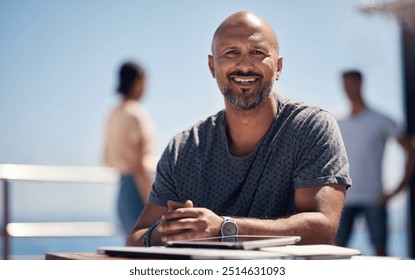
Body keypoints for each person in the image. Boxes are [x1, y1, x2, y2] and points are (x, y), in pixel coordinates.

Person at [127, 11, 351, 247]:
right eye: (231, 53)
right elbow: (135, 238)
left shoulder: (311, 128)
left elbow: (322, 228)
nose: (244, 65)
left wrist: (224, 228)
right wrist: (171, 230)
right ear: (212, 66)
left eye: (257, 53)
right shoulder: (182, 149)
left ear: (278, 67)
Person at [334, 70, 415, 256]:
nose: (348, 89)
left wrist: (398, 189)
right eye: (345, 84)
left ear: (361, 83)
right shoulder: (336, 121)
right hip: (343, 199)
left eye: (352, 83)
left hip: (374, 197)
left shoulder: (381, 120)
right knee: (335, 251)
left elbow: (410, 150)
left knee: (381, 251)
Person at [103, 61, 158, 237]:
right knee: (147, 248)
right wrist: (153, 200)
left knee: (131, 246)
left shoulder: (113, 113)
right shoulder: (136, 113)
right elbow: (139, 163)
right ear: (137, 82)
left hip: (122, 189)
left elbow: (106, 156)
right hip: (139, 187)